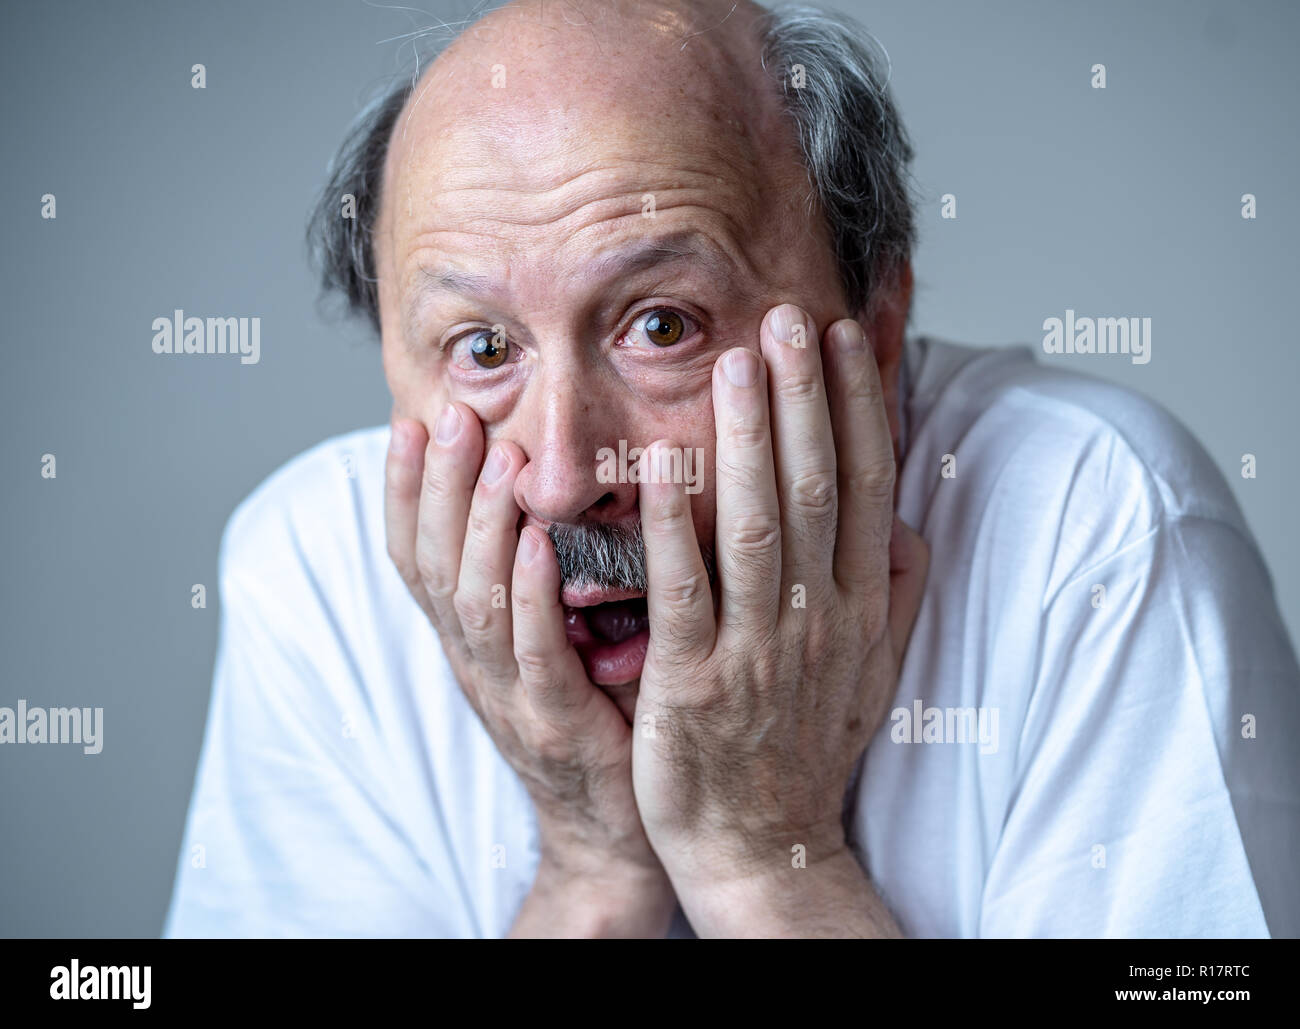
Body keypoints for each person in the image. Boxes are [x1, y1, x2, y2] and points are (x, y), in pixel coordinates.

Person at [164, 0, 1300, 938]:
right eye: (483, 348)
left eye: (661, 326)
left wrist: (762, 860)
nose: (562, 480)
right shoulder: (314, 568)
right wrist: (589, 871)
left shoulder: (1091, 523)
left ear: (878, 314)